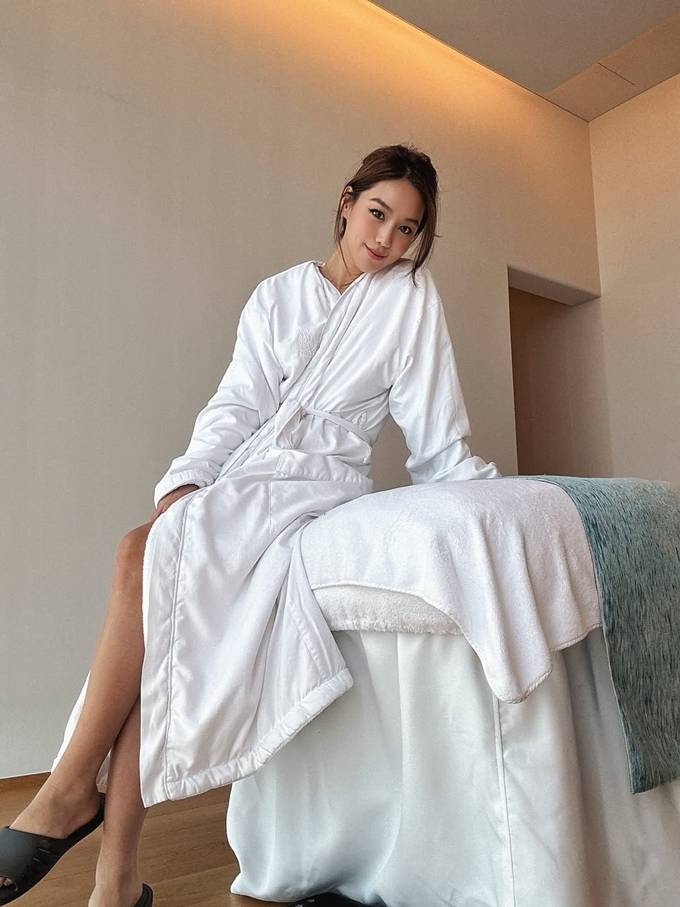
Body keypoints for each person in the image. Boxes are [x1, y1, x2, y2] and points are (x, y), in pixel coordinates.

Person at [0, 144, 500, 907]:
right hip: (245, 475)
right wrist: (188, 477)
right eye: (378, 213)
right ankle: (112, 877)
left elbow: (436, 431)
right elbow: (237, 403)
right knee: (153, 577)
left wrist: (481, 496)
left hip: (318, 485)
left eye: (408, 228)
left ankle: (72, 795)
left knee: (142, 555)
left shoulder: (409, 296)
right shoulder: (277, 296)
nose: (387, 238)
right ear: (346, 201)